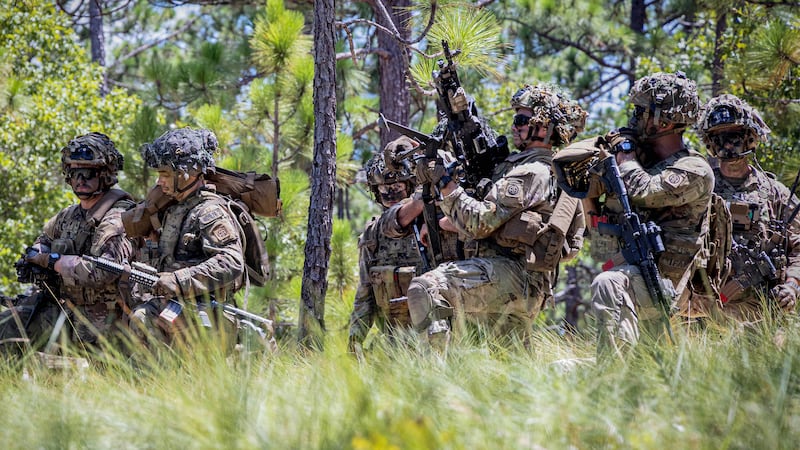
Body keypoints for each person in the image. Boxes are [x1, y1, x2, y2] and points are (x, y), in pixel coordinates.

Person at [406, 84, 586, 347]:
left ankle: (432, 377)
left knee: (426, 288)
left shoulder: (532, 171)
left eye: (522, 120)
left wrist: (445, 182)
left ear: (544, 128)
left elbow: (479, 223)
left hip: (510, 276)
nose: (514, 126)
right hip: (521, 281)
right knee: (508, 373)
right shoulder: (543, 169)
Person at [577, 72, 713, 357]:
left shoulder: (695, 169)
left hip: (667, 287)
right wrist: (590, 192)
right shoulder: (637, 164)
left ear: (663, 122)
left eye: (641, 111)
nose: (634, 118)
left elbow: (646, 190)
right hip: (632, 277)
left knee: (607, 283)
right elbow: (600, 242)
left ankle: (613, 380)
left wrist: (624, 154)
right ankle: (622, 376)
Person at [0, 132, 134, 355]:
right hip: (66, 308)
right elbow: (42, 243)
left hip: (108, 318)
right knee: (7, 329)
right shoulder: (68, 215)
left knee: (107, 376)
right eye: (74, 173)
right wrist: (36, 256)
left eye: (88, 173)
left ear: (106, 175)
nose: (80, 180)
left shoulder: (119, 216)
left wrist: (53, 261)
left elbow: (102, 272)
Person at [129, 127, 244, 346]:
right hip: (181, 310)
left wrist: (178, 280)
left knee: (144, 319)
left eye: (165, 174)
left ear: (186, 173)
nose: (159, 182)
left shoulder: (209, 212)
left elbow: (232, 262)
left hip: (209, 316)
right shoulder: (175, 210)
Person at [348, 136, 459, 352]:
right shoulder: (374, 234)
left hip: (444, 342)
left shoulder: (437, 226)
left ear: (410, 185)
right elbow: (365, 295)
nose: (390, 193)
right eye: (383, 189)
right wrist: (354, 343)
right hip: (395, 344)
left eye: (397, 186)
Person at [697, 94, 800, 321]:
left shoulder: (775, 193)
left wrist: (792, 286)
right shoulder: (700, 191)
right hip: (706, 314)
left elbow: (799, 247)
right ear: (710, 143)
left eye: (734, 136)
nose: (727, 144)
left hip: (766, 313)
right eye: (719, 137)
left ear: (750, 138)